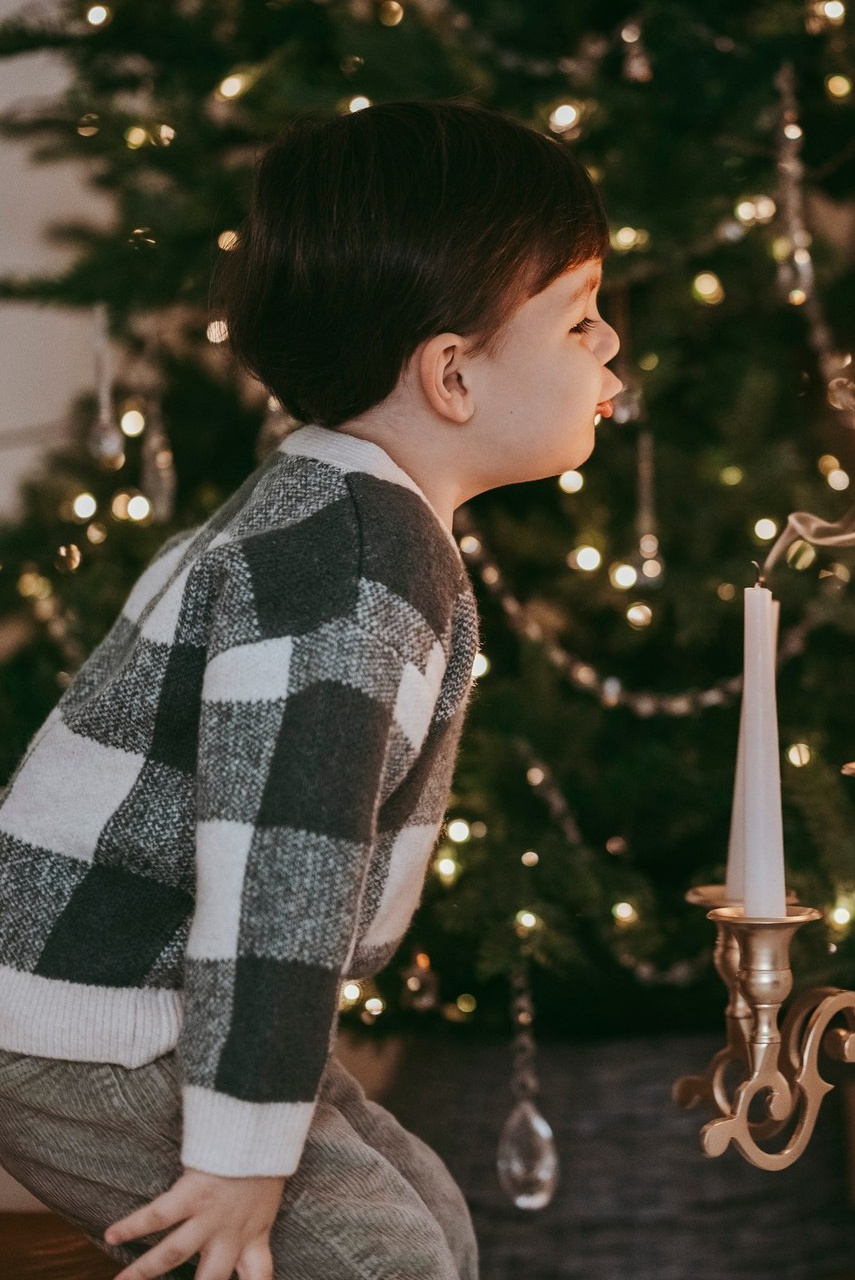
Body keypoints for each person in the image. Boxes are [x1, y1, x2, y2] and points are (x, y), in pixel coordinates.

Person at [0, 98, 623, 1280]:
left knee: (429, 1215)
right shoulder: (348, 573)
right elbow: (280, 869)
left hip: (161, 997)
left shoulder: (354, 514)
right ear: (451, 373)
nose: (608, 345)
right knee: (384, 1261)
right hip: (85, 1019)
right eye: (580, 316)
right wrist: (239, 1156)